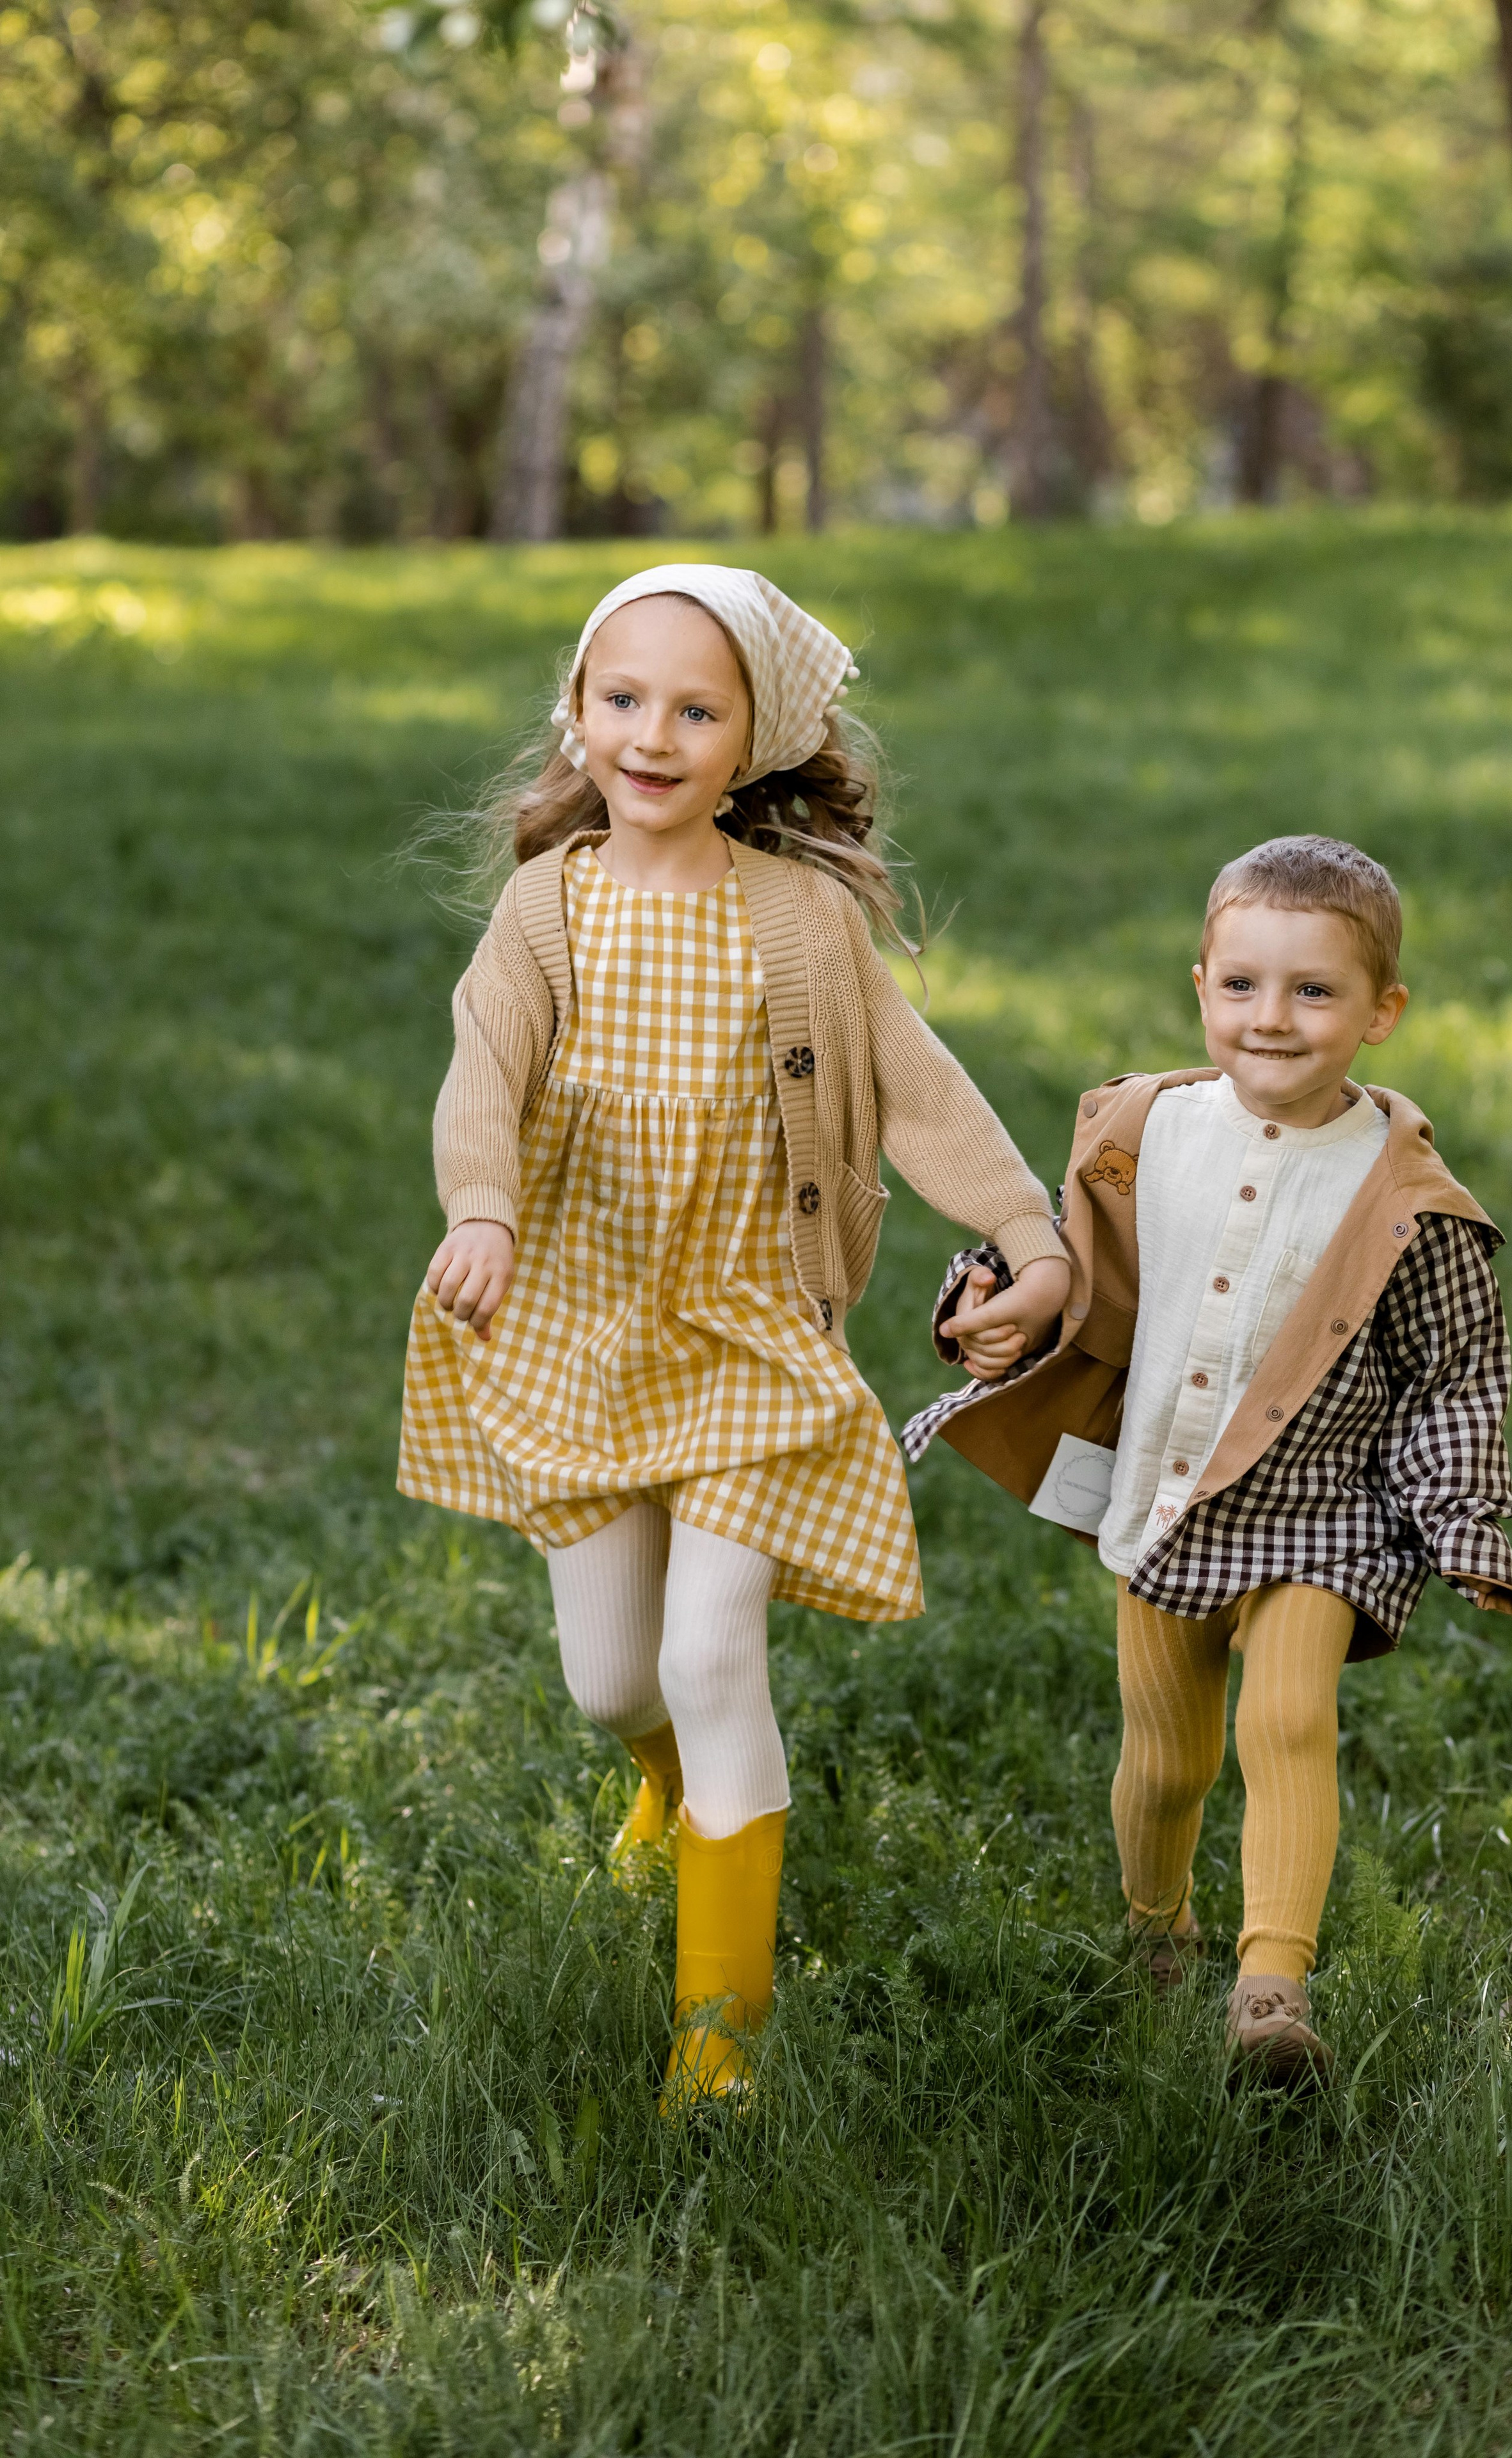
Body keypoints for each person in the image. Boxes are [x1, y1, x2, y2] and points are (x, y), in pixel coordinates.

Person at [398, 564, 1067, 2109]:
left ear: (753, 739)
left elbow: (920, 1092)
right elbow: (477, 1074)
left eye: (695, 708)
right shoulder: (544, 907)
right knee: (609, 1681)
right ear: (574, 711)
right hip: (579, 1325)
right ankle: (667, 1792)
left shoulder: (800, 920)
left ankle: (719, 2048)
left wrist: (1028, 1238)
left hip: (751, 1335)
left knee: (711, 1657)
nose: (651, 732)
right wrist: (482, 1207)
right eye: (621, 698)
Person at [904, 836, 1512, 2085]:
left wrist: (1458, 1525)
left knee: (1288, 1719)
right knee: (1168, 1756)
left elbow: (1455, 1370)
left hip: (1320, 1515)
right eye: (1241, 984)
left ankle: (1269, 1986)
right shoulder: (1142, 1130)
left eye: (1313, 991)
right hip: (1166, 1498)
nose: (1271, 1018)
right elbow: (1073, 1274)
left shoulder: (1408, 1200)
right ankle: (1155, 1929)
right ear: (1199, 985)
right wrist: (988, 1303)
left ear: (1379, 1012)